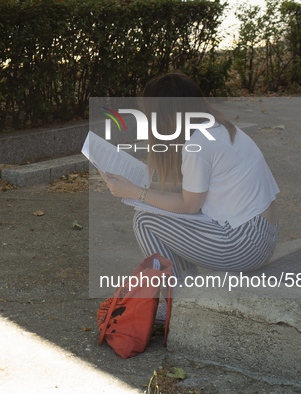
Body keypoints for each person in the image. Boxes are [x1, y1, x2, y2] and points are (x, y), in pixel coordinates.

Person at [100, 72, 279, 279]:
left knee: (144, 219)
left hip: (245, 245)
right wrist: (146, 185)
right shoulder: (217, 128)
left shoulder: (198, 145)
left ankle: (176, 298)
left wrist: (136, 192)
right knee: (159, 212)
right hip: (260, 236)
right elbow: (196, 192)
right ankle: (185, 287)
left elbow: (189, 206)